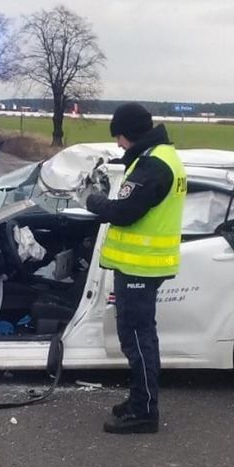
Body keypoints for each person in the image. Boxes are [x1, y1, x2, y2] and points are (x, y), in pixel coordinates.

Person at [84, 103, 187, 434]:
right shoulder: (159, 157)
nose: (117, 144)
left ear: (131, 133)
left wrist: (93, 200)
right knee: (139, 337)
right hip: (142, 267)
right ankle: (139, 401)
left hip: (141, 268)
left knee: (138, 339)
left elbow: (125, 211)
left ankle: (143, 411)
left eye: (119, 137)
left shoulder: (154, 165)